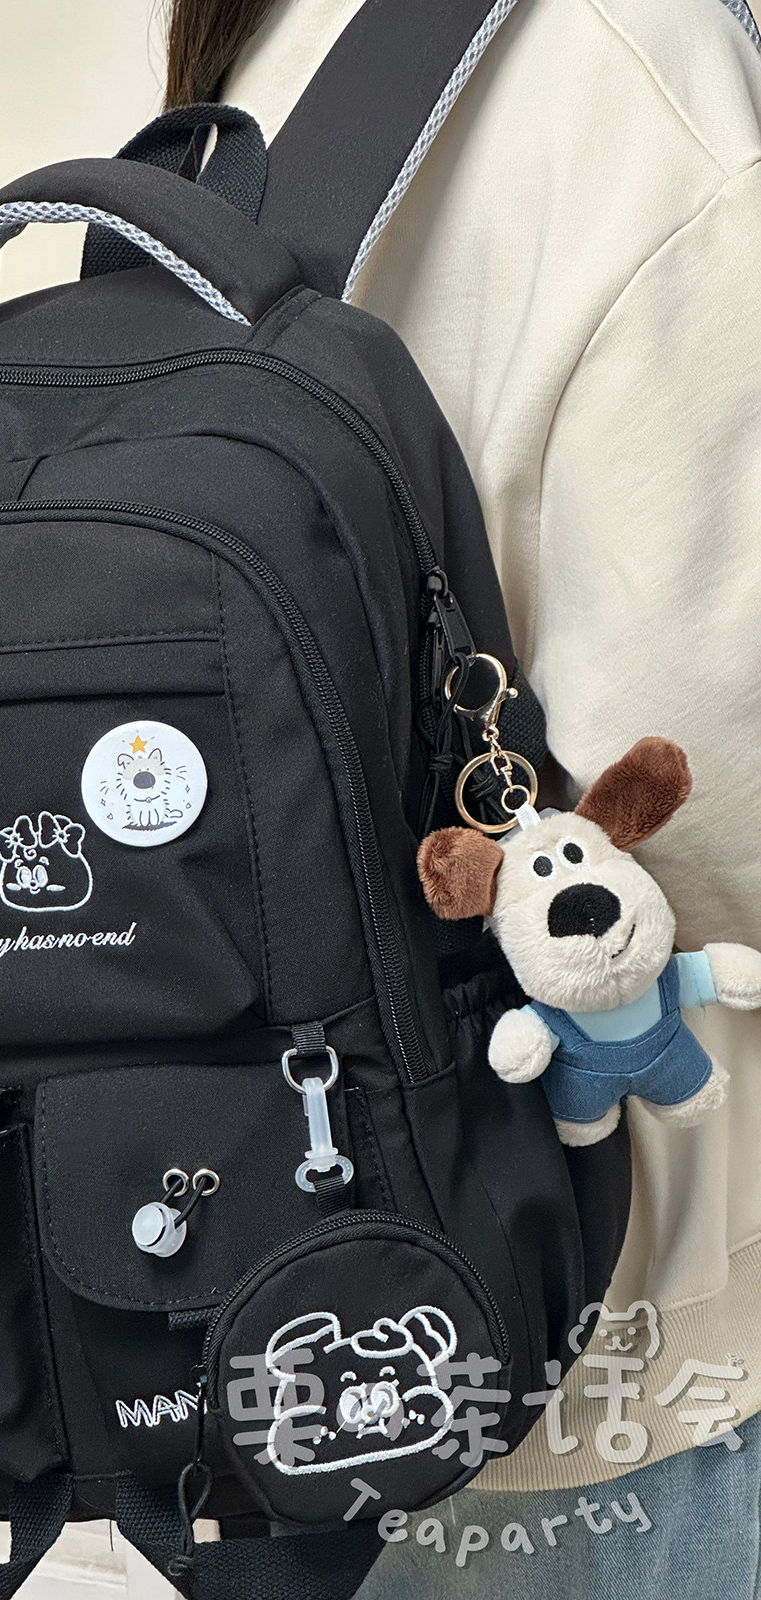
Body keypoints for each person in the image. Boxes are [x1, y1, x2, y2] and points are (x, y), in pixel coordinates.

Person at [164, 0, 761, 1592]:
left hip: (270, 1286)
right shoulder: (646, 78)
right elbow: (718, 808)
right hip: (632, 1338)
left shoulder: (258, 67)